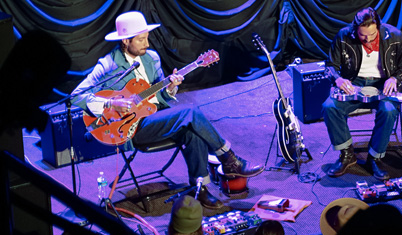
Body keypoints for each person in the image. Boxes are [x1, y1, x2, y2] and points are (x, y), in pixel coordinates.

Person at [71, 11, 263, 207]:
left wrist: (171, 87)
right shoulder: (108, 65)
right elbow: (76, 96)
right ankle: (228, 158)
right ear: (125, 41)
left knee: (192, 132)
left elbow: (159, 97)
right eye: (141, 40)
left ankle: (201, 188)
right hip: (132, 128)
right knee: (190, 111)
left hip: (155, 117)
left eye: (147, 38)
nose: (147, 44)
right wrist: (111, 104)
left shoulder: (151, 58)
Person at [322, 6, 402, 179]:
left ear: (378, 27)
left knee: (388, 110)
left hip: (383, 82)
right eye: (363, 35)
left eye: (372, 35)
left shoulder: (395, 36)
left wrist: (395, 79)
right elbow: (330, 66)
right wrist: (338, 79)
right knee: (329, 107)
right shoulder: (343, 36)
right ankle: (347, 155)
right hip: (354, 82)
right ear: (355, 29)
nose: (368, 39)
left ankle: (375, 157)